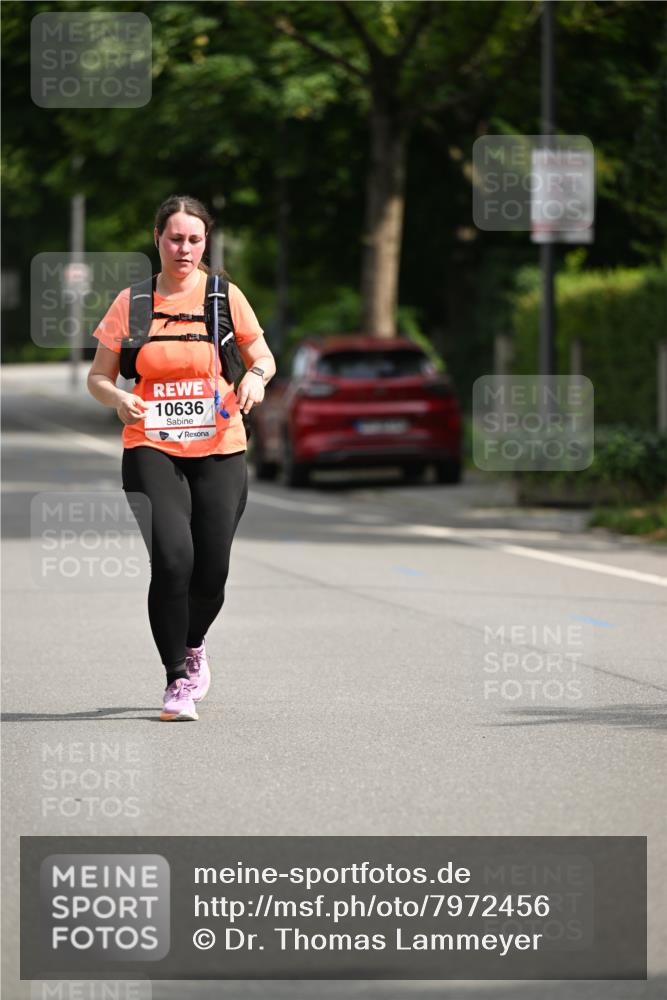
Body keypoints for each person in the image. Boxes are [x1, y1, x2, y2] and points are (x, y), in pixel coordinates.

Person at [87, 194, 276, 721]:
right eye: (175, 238)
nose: (185, 248)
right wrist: (120, 398)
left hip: (220, 445)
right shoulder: (134, 303)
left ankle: (194, 643)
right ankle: (176, 680)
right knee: (173, 559)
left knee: (210, 572)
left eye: (195, 239)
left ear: (205, 242)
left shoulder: (223, 297)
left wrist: (256, 379)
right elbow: (99, 377)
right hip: (151, 444)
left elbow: (262, 356)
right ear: (157, 239)